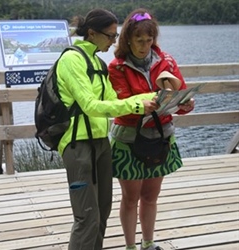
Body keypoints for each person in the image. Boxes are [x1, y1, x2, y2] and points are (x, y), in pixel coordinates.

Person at [55, 8, 160, 250]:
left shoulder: (97, 63)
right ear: (92, 33)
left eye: (116, 36)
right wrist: (136, 104)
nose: (114, 41)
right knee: (86, 217)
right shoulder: (72, 60)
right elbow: (90, 105)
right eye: (111, 36)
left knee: (102, 212)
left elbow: (115, 100)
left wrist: (156, 98)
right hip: (77, 144)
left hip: (101, 142)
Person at [108, 8, 195, 250]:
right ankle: (130, 247)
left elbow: (179, 97)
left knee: (150, 197)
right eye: (139, 40)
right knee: (130, 198)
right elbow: (122, 106)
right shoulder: (117, 67)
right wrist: (151, 103)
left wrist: (185, 104)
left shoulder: (166, 61)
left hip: (161, 137)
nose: (144, 46)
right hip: (129, 140)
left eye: (148, 40)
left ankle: (148, 244)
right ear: (127, 39)